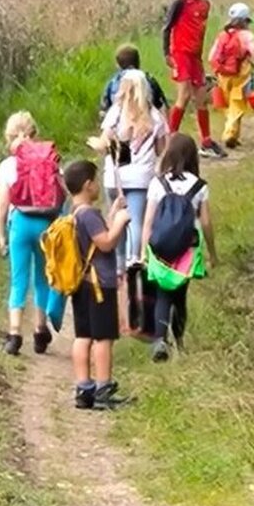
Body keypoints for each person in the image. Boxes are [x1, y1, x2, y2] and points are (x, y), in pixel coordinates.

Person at [88, 70, 168, 331]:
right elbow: (161, 150)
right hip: (142, 178)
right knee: (136, 218)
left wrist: (96, 143)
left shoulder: (115, 113)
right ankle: (137, 261)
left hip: (116, 178)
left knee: (117, 225)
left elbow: (103, 143)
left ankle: (119, 267)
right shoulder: (156, 117)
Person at [61, 158, 132, 410]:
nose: (99, 186)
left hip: (82, 283)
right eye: (96, 181)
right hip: (100, 284)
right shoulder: (89, 214)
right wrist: (121, 221)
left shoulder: (75, 213)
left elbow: (93, 240)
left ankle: (84, 388)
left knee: (83, 335)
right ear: (88, 185)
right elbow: (105, 243)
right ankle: (103, 386)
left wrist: (112, 214)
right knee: (103, 338)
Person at [141, 133, 217, 361]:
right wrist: (212, 253)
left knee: (162, 294)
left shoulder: (157, 183)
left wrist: (144, 252)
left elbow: (148, 221)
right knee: (180, 296)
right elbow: (205, 222)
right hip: (187, 248)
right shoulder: (200, 186)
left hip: (160, 247)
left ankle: (159, 339)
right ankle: (179, 341)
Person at [0, 111, 63, 356]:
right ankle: (39, 329)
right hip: (45, 223)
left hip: (20, 224)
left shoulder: (8, 166)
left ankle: (14, 334)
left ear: (9, 137)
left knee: (18, 279)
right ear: (35, 134)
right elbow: (60, 194)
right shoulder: (48, 160)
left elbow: (3, 204)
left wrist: (2, 235)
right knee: (43, 278)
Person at [162, 0, 226, 159]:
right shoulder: (179, 3)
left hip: (195, 57)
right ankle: (169, 139)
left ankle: (206, 141)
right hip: (181, 54)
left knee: (201, 98)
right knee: (184, 96)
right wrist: (167, 53)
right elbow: (166, 28)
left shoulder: (205, 4)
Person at [209, 3, 254, 149]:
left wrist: (217, 69)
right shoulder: (247, 35)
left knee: (227, 105)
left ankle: (234, 133)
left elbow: (211, 56)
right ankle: (229, 134)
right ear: (245, 20)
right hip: (241, 76)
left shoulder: (223, 35)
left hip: (223, 76)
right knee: (237, 104)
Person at [98, 44, 168, 119]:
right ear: (138, 62)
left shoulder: (113, 82)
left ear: (118, 65)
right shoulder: (148, 78)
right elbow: (161, 104)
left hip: (121, 122)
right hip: (147, 121)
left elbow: (104, 108)